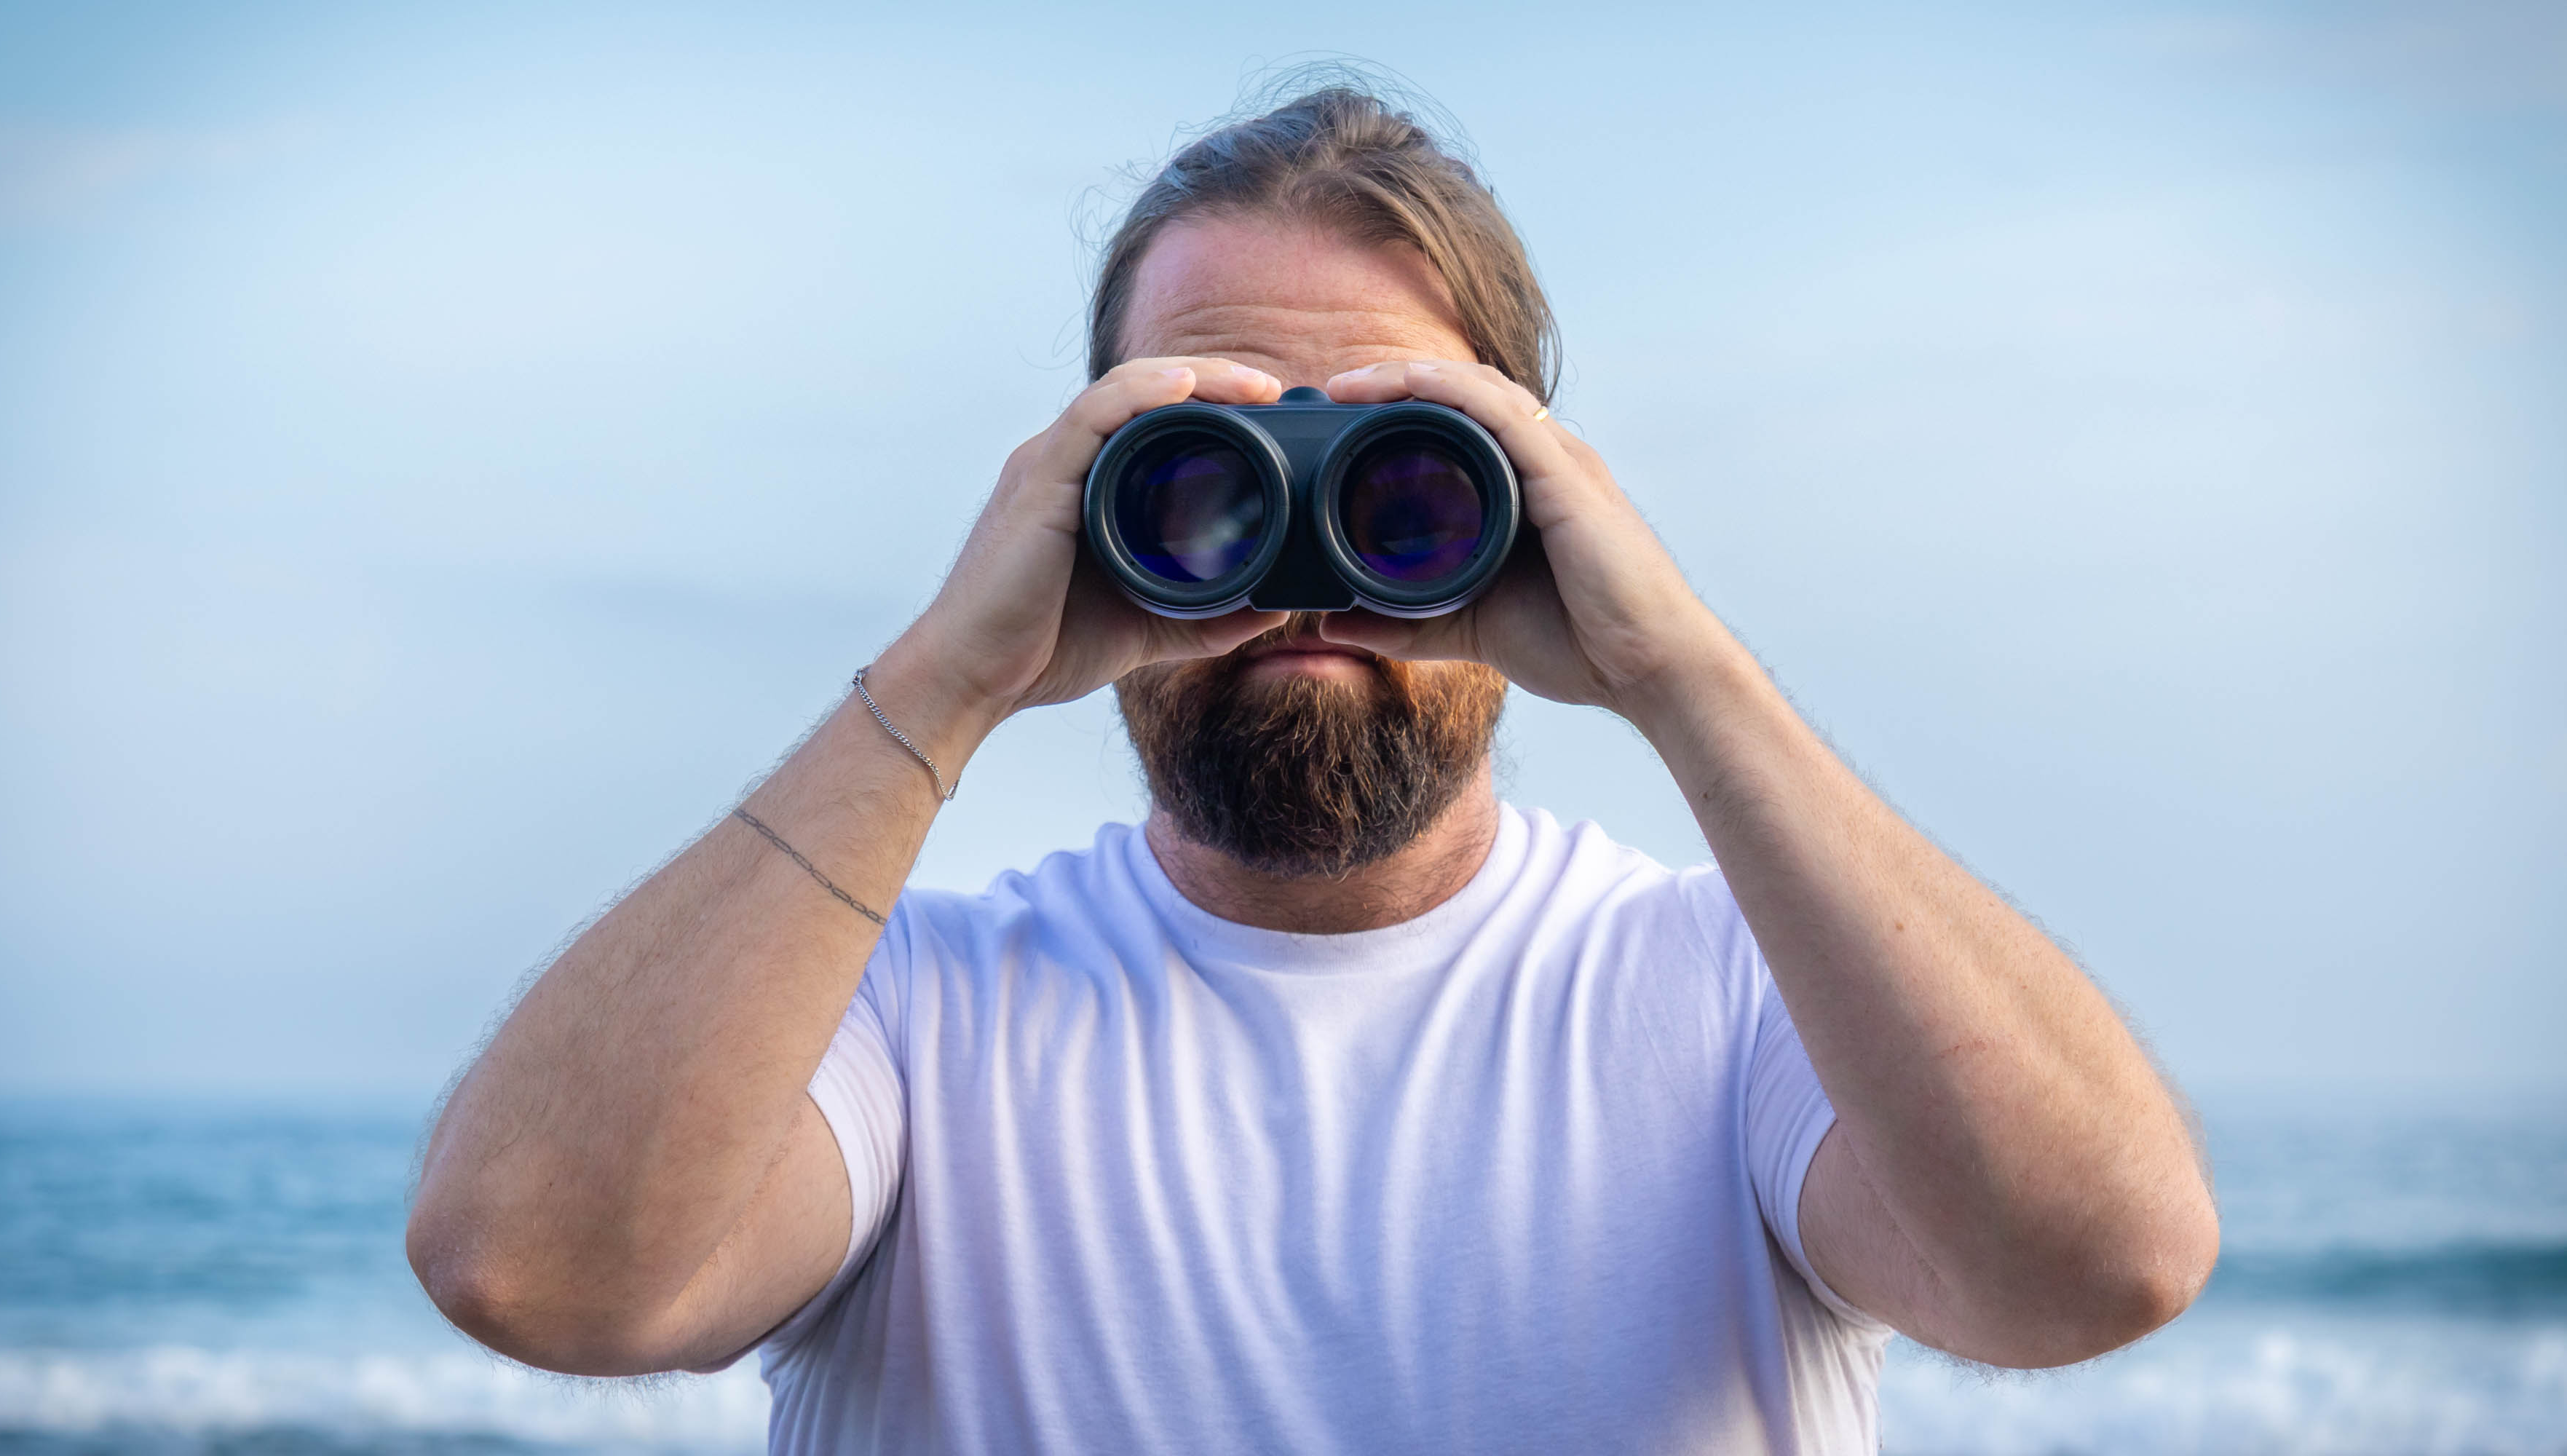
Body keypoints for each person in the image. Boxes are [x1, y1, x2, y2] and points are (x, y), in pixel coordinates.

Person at [406, 83, 2220, 1455]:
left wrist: (1681, 675)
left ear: (1534, 504)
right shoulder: (898, 1017)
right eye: (1201, 473)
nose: (1299, 565)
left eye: (1406, 483)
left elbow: (2092, 1267)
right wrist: (943, 682)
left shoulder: (1748, 1006)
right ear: (1081, 492)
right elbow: (538, 1273)